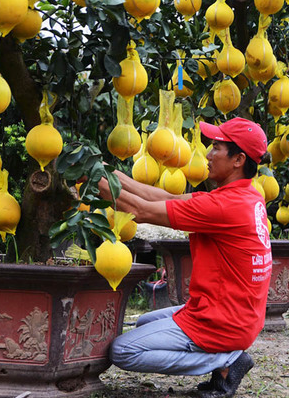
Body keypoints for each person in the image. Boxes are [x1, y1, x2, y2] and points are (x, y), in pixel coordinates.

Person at [98, 117, 273, 397]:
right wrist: (117, 177)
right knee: (144, 323)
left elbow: (141, 211)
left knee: (123, 351)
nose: (207, 153)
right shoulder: (245, 197)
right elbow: (166, 197)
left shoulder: (222, 207)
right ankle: (225, 357)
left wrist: (95, 181)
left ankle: (226, 360)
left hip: (221, 323)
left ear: (238, 159)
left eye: (216, 147)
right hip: (236, 315)